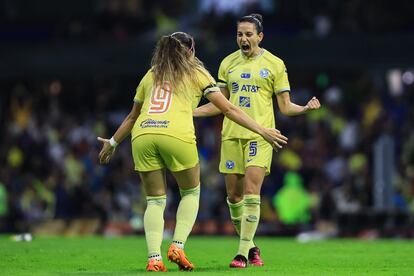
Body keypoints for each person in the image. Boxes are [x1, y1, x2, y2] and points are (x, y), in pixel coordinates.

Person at [97, 31, 288, 272]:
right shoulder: (195, 72)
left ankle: (154, 259)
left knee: (155, 200)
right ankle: (177, 245)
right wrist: (262, 130)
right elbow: (228, 109)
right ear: (190, 51)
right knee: (190, 192)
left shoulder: (151, 74)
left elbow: (132, 115)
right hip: (176, 134)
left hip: (143, 134)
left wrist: (112, 143)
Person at [193, 14, 321, 268]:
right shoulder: (227, 63)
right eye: (240, 34)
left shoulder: (274, 64)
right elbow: (219, 105)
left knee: (252, 193)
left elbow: (285, 107)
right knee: (234, 197)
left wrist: (305, 108)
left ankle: (241, 253)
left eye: (249, 34)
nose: (243, 38)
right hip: (231, 135)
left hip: (261, 135)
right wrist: (188, 111)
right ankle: (252, 248)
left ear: (260, 36)